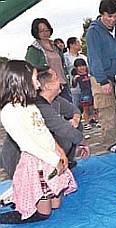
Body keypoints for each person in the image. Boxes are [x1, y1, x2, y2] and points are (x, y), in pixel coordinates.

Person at [0, 60, 77, 224]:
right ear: (21, 81)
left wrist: (60, 151)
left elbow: (44, 131)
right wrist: (54, 159)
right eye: (35, 79)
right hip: (37, 162)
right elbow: (27, 144)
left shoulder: (30, 105)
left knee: (56, 203)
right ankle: (14, 210)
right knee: (44, 214)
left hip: (50, 158)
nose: (38, 84)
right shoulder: (9, 111)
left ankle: (25, 197)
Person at [0, 66, 85, 179]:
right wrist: (55, 159)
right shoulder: (17, 109)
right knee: (67, 132)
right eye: (56, 78)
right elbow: (30, 145)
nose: (60, 79)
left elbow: (73, 111)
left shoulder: (44, 103)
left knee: (72, 128)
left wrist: (75, 119)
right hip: (25, 159)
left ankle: (61, 167)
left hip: (43, 153)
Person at [86, 0, 116, 153]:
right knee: (107, 112)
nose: (113, 20)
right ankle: (110, 145)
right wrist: (102, 81)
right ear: (102, 14)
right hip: (101, 78)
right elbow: (94, 58)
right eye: (109, 16)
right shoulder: (93, 32)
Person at [25, 18, 72, 103]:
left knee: (71, 111)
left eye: (47, 30)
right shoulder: (33, 50)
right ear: (36, 32)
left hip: (63, 84)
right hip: (47, 88)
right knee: (54, 113)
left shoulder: (56, 47)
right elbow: (29, 69)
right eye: (41, 31)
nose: (45, 33)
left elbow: (63, 66)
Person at [64, 37, 87, 109]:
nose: (80, 44)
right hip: (73, 88)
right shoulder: (65, 57)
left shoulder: (83, 57)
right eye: (78, 42)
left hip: (86, 87)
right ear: (71, 45)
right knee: (74, 108)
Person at [72, 58, 95, 130]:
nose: (82, 68)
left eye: (83, 65)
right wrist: (74, 79)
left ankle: (95, 120)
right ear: (76, 68)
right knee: (86, 110)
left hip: (92, 93)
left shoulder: (89, 74)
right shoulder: (77, 76)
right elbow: (73, 85)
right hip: (84, 94)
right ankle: (87, 122)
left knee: (95, 108)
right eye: (79, 66)